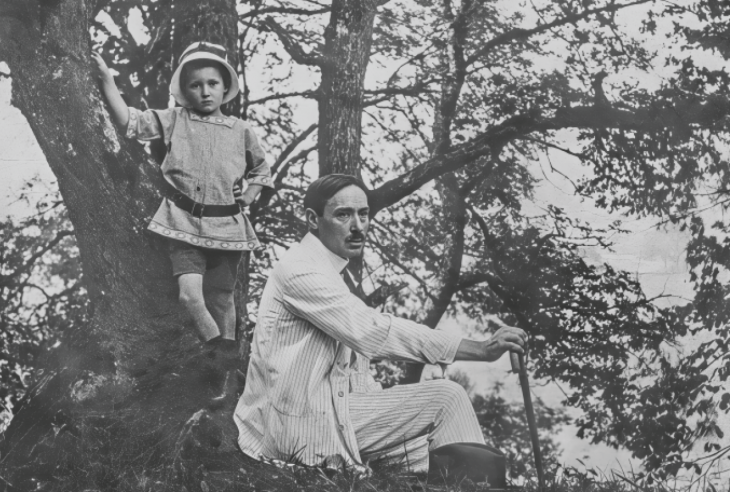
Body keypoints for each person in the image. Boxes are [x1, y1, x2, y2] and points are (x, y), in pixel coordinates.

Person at [235, 174, 527, 483]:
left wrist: (388, 410)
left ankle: (479, 483)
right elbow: (372, 332)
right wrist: (480, 349)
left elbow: (351, 370)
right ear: (312, 219)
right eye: (343, 215)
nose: (358, 226)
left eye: (363, 214)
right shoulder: (301, 271)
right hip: (295, 427)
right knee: (447, 397)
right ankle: (481, 485)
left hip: (328, 413)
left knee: (443, 451)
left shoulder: (329, 269)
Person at [91, 42, 273, 393]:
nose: (205, 91)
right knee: (190, 297)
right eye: (195, 84)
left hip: (227, 227)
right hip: (183, 223)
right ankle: (219, 357)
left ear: (225, 87)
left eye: (212, 83)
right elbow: (130, 122)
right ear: (185, 91)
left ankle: (223, 379)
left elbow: (262, 170)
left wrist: (249, 194)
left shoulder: (241, 129)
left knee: (222, 298)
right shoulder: (174, 119)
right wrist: (107, 81)